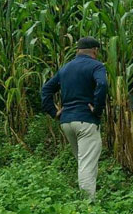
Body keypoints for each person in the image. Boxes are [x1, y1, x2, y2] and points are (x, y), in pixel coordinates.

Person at [41, 37, 107, 201]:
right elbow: (102, 85)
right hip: (86, 121)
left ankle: (84, 198)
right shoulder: (96, 66)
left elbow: (46, 89)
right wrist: (97, 109)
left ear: (77, 51)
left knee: (82, 161)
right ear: (95, 50)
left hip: (67, 122)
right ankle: (87, 205)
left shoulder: (65, 68)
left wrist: (54, 112)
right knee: (86, 164)